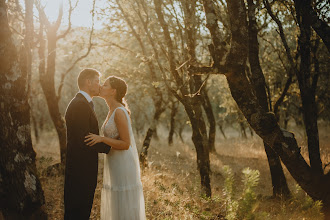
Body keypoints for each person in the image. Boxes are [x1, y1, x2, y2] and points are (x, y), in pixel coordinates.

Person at [85, 76, 146, 220]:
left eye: (104, 85)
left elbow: (126, 144)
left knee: (123, 200)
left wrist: (102, 138)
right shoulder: (112, 110)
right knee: (116, 201)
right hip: (114, 161)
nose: (100, 86)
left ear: (113, 91)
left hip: (123, 163)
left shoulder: (119, 111)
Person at [64, 68, 111, 220]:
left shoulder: (84, 103)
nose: (99, 85)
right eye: (97, 81)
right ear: (88, 82)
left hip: (83, 168)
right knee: (77, 212)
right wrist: (112, 146)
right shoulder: (79, 105)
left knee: (81, 211)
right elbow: (86, 139)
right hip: (80, 170)